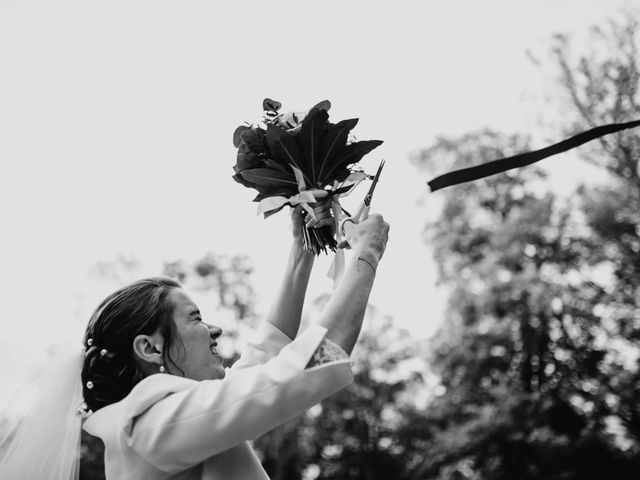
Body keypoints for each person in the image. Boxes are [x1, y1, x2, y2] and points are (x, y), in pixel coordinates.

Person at [0, 200, 390, 480]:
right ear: (149, 348)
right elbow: (298, 372)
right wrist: (366, 253)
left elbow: (266, 355)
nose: (214, 330)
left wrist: (304, 247)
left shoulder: (158, 419)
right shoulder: (149, 424)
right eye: (196, 318)